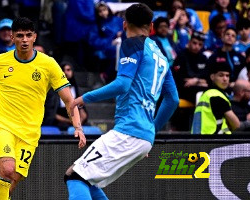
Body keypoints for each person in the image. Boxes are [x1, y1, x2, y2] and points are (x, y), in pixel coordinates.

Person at [0, 17, 86, 199]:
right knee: (8, 169)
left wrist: (78, 127)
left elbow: (68, 99)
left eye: (28, 35)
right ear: (12, 37)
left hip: (29, 132)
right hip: (3, 123)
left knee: (12, 179)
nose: (24, 40)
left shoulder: (48, 64)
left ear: (35, 37)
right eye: (20, 36)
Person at [64, 4, 179, 199]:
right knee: (88, 179)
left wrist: (83, 98)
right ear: (151, 27)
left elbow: (122, 85)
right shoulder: (160, 54)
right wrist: (151, 132)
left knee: (75, 175)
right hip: (143, 135)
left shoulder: (131, 44)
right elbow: (172, 100)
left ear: (124, 24)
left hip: (129, 129)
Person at [191, 61, 240, 134]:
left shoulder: (206, 94)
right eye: (221, 75)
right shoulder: (216, 96)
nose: (225, 79)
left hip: (200, 139)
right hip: (215, 140)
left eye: (227, 75)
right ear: (212, 77)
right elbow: (236, 124)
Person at [55, 62, 88, 130]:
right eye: (63, 70)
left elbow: (82, 111)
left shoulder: (76, 89)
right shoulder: (54, 90)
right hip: (60, 121)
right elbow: (52, 113)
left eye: (68, 70)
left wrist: (79, 122)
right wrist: (69, 121)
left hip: (75, 118)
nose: (66, 72)